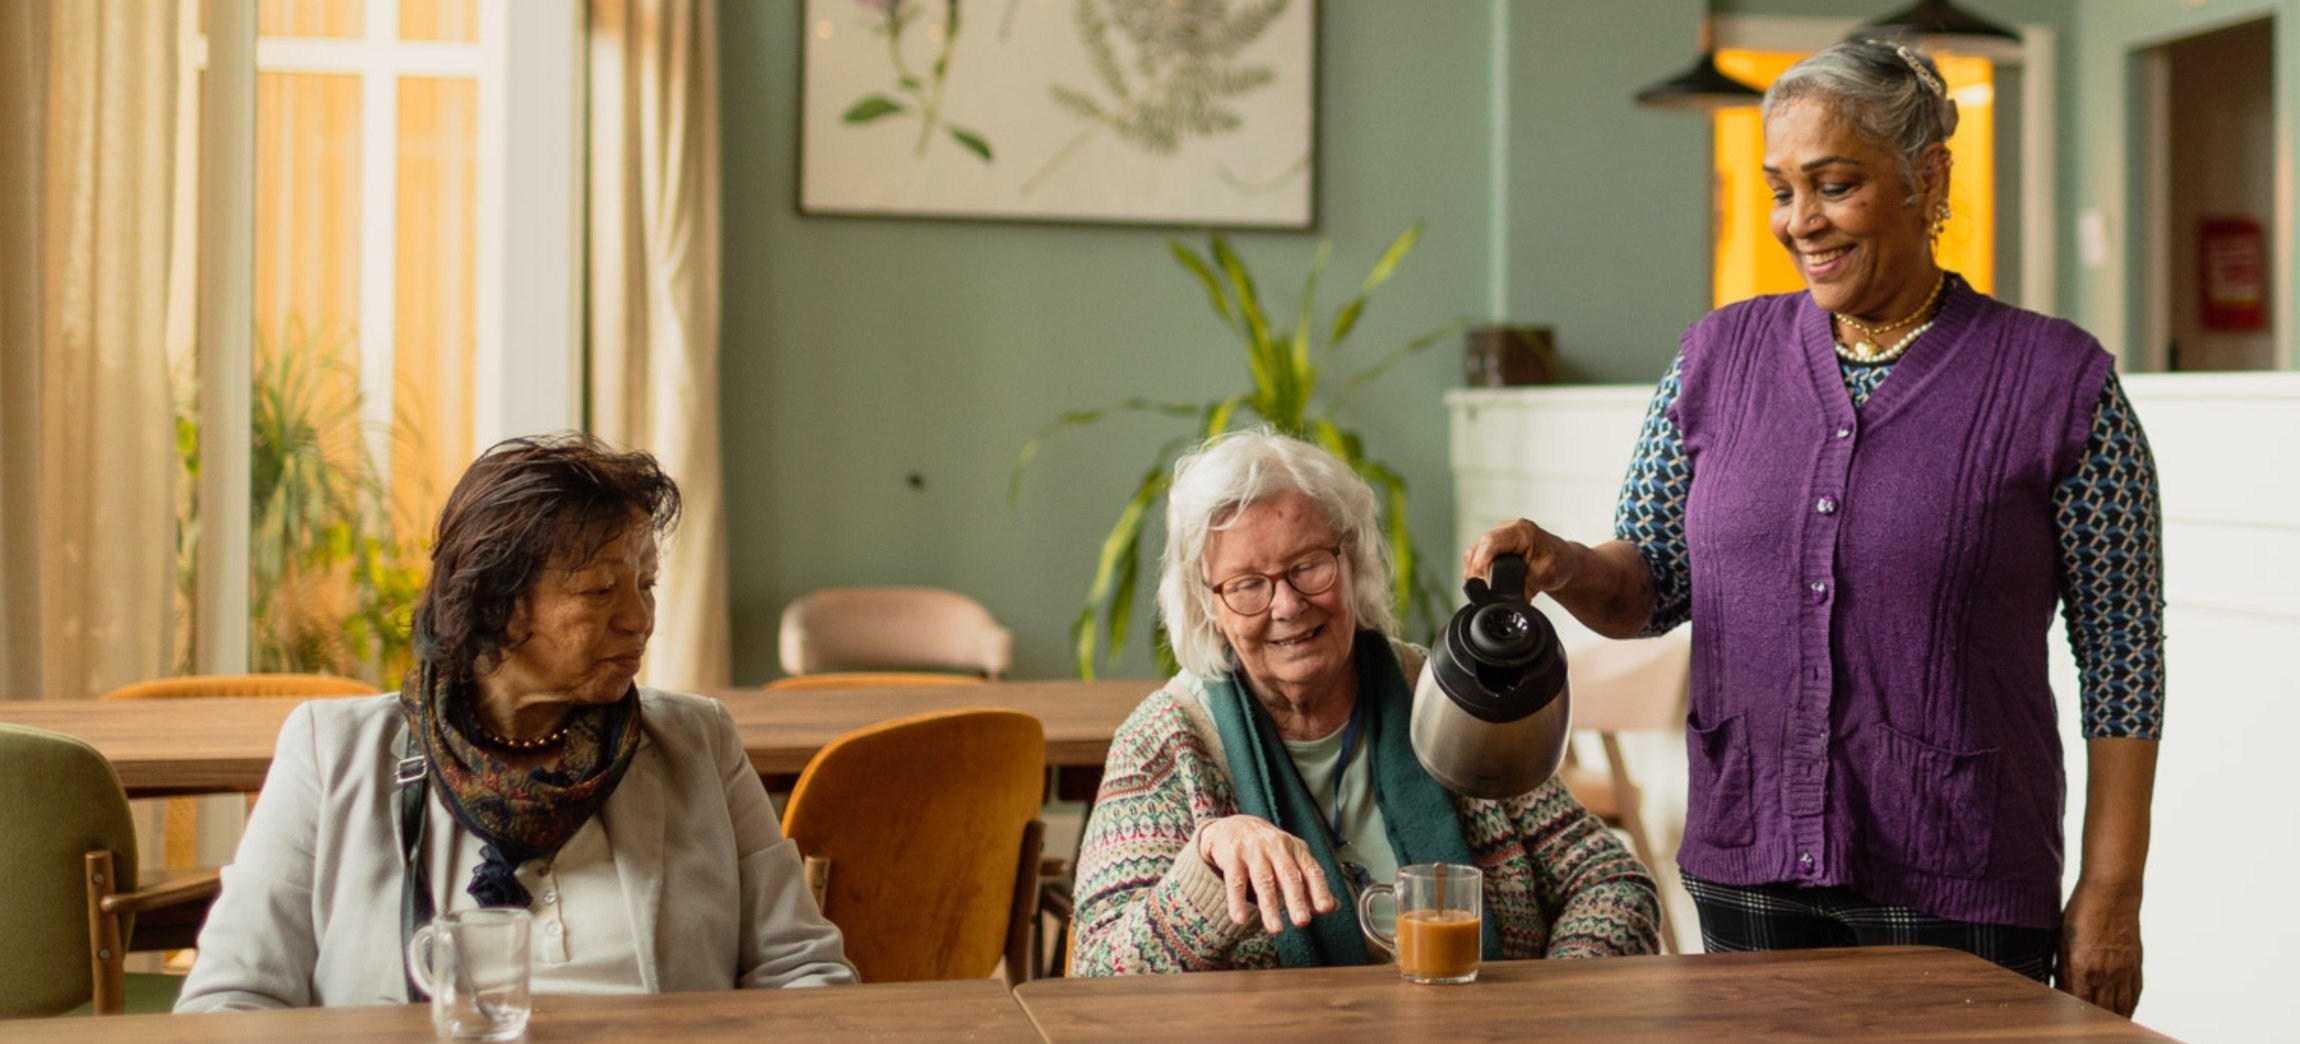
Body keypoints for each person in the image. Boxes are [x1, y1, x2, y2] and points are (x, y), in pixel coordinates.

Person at [1465, 40, 2162, 1016]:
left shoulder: (2060, 386)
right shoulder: (1713, 358)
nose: (1800, 222)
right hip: (1748, 861)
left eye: (1833, 185)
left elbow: (2123, 659)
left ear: (1927, 179)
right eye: (1779, 190)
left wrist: (2110, 892)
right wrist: (1563, 562)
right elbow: (1649, 586)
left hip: (1961, 875)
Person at [179, 434, 855, 1010]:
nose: (639, 618)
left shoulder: (696, 741)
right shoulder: (334, 752)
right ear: (496, 603)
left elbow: (802, 970)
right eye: (599, 591)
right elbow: (232, 998)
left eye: (645, 584)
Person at [1071, 429, 1659, 975]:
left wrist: (1554, 1008)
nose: (1286, 606)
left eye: (1308, 566)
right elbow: (1098, 975)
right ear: (1210, 607)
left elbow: (1611, 883)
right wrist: (1207, 866)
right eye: (1248, 584)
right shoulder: (1164, 745)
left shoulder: (1450, 696)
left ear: (1353, 564)